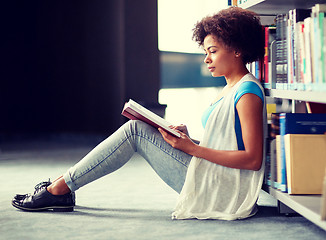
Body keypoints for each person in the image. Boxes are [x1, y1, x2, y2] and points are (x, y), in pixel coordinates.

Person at [12, 6, 267, 220]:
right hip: (213, 174)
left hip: (223, 191)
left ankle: (60, 188)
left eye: (212, 51)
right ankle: (62, 185)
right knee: (141, 129)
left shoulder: (246, 93)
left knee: (135, 130)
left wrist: (193, 149)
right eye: (205, 52)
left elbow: (252, 159)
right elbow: (231, 143)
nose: (206, 59)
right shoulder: (231, 88)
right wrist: (190, 141)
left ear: (237, 49)